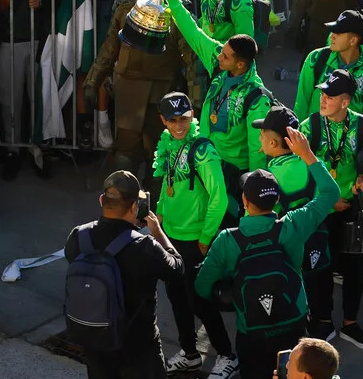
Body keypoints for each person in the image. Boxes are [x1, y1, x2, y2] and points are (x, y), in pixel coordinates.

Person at [196, 127, 340, 379]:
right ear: (275, 201)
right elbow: (331, 192)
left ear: (244, 201)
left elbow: (201, 287)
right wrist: (307, 155)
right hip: (293, 326)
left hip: (252, 333)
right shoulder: (293, 225)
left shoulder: (228, 240)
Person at [301, 69, 363, 348]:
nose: (323, 98)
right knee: (319, 270)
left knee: (354, 271)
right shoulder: (310, 126)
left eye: (330, 95)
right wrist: (326, 199)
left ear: (345, 101)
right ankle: (322, 322)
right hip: (319, 211)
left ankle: (350, 324)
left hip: (352, 210)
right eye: (322, 93)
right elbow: (297, 168)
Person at [64, 170, 185, 379]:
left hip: (96, 341)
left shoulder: (78, 236)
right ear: (134, 207)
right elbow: (177, 268)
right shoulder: (144, 246)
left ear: (102, 200)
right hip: (139, 350)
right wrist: (157, 232)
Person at [151, 92, 237, 379]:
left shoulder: (203, 150)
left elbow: (219, 198)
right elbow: (167, 183)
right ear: (163, 120)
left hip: (196, 241)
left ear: (192, 117)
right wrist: (159, 217)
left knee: (201, 300)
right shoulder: (167, 143)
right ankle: (190, 354)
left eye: (184, 119)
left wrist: (204, 239)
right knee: (176, 297)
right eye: (173, 120)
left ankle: (227, 355)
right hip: (170, 237)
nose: (179, 126)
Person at [83, 0, 195, 169]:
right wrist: (93, 79)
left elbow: (191, 59)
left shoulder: (176, 12)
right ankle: (127, 200)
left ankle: (156, 202)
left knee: (159, 154)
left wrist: (194, 99)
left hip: (162, 92)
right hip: (128, 92)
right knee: (126, 152)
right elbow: (109, 49)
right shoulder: (125, 12)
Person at [168, 0, 273, 196]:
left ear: (241, 64)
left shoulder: (257, 98)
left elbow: (258, 149)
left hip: (233, 174)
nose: (219, 57)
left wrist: (252, 190)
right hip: (207, 160)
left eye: (225, 56)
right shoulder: (220, 63)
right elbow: (194, 33)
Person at [293, 9, 363, 122]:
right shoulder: (316, 58)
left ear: (353, 40)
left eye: (338, 33)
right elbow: (301, 103)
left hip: (350, 139)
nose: (331, 36)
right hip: (313, 136)